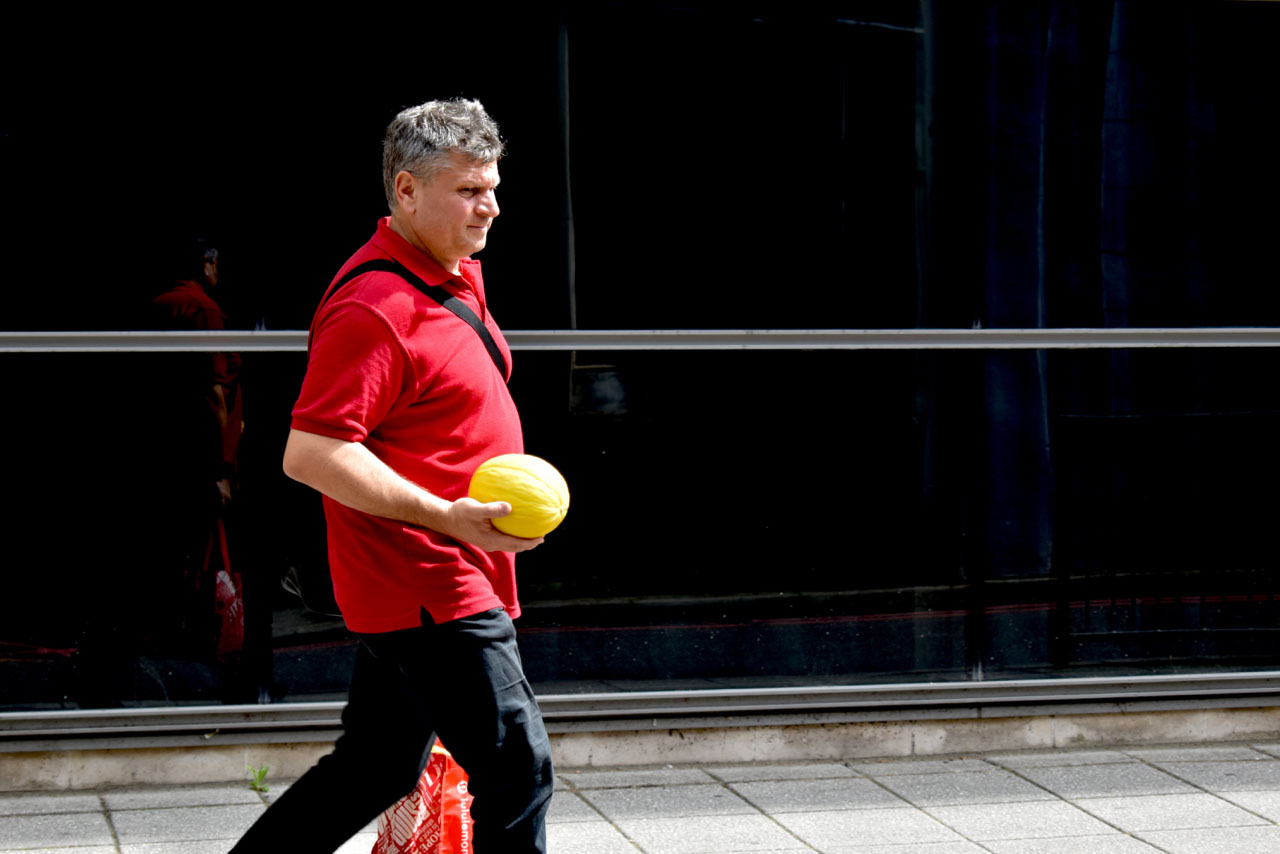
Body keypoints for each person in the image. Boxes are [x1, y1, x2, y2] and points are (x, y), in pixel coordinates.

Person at [231, 99, 553, 853]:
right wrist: (447, 515)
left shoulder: (452, 273)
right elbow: (310, 453)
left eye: (494, 186)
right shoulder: (375, 308)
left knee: (373, 766)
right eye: (469, 191)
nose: (492, 207)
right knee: (517, 766)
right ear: (406, 191)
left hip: (438, 573)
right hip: (430, 580)